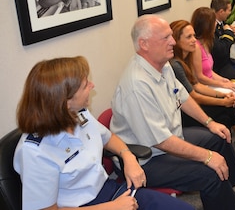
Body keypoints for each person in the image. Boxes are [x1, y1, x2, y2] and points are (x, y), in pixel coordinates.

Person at [110, 15, 235, 210]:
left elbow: (184, 97)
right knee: (209, 173)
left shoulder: (163, 66)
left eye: (171, 36)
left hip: (168, 138)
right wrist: (207, 157)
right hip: (146, 159)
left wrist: (209, 123)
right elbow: (161, 141)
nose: (173, 42)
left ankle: (227, 195)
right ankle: (223, 195)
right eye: (165, 38)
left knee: (219, 137)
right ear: (144, 44)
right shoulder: (137, 85)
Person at [13, 56, 193, 210]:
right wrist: (111, 207)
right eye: (85, 85)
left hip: (109, 190)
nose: (92, 85)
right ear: (65, 101)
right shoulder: (34, 151)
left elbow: (109, 138)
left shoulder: (78, 114)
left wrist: (128, 157)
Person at [169, 19, 235, 150]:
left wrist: (221, 95)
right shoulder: (176, 65)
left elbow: (196, 85)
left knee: (226, 111)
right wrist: (222, 101)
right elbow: (194, 96)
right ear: (176, 40)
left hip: (190, 102)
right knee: (226, 108)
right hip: (183, 113)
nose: (194, 40)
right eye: (189, 37)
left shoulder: (186, 59)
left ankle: (233, 143)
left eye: (194, 35)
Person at [190, 7, 235, 110]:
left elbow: (209, 71)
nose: (216, 24)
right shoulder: (196, 47)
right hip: (204, 85)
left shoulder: (206, 42)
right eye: (213, 22)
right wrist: (221, 84)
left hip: (211, 81)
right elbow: (199, 77)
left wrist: (224, 80)